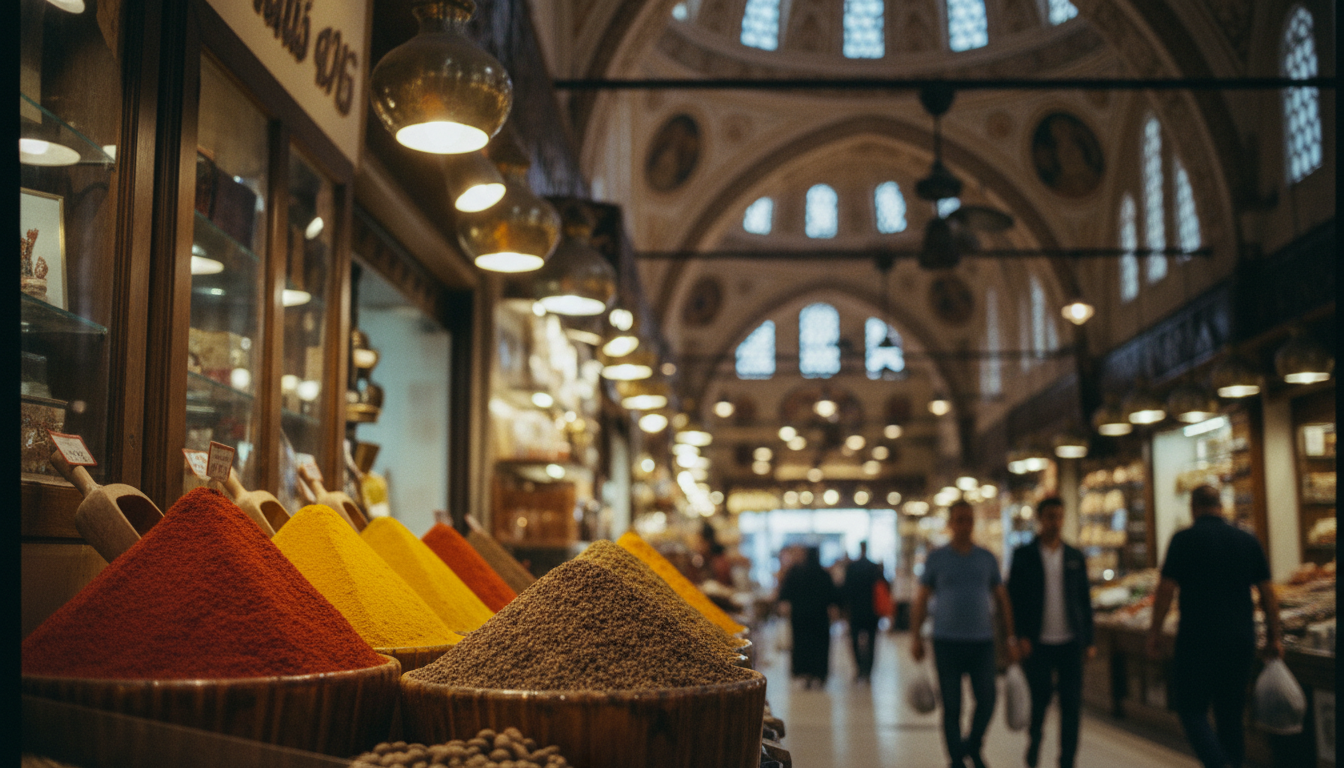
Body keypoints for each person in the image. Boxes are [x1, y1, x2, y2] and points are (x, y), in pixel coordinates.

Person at [1148, 485, 1283, 768]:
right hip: (1240, 640)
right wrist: (1274, 636)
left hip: (1197, 640)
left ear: (1193, 507)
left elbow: (1165, 592)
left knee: (1190, 709)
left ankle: (1218, 763)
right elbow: (1269, 594)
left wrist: (1155, 632)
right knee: (1231, 714)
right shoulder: (1247, 539)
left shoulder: (1183, 540)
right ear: (1221, 506)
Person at [911, 500, 1020, 768]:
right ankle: (956, 758)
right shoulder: (937, 559)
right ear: (950, 523)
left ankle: (972, 745)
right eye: (959, 520)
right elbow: (922, 598)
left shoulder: (986, 558)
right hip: (946, 641)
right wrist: (916, 636)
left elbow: (1002, 597)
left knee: (987, 698)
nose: (964, 525)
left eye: (968, 520)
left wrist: (1010, 637)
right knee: (952, 704)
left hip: (982, 641)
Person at [1007, 497, 1095, 768]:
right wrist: (1018, 636)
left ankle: (1067, 760)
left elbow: (1084, 600)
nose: (1054, 522)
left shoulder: (1074, 556)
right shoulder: (1024, 556)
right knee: (1038, 703)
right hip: (1037, 643)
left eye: (1059, 516)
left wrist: (1089, 640)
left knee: (1071, 706)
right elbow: (1014, 600)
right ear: (1040, 519)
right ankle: (1033, 752)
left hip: (1070, 642)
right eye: (1049, 517)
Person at [778, 546, 840, 689]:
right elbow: (834, 595)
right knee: (820, 646)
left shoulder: (795, 573)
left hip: (800, 617)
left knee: (801, 645)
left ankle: (802, 673)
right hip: (820, 618)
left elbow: (785, 593)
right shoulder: (824, 574)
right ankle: (819, 674)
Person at [842, 541, 887, 682]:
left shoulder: (852, 567)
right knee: (872, 641)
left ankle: (859, 668)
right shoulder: (874, 567)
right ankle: (868, 671)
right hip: (872, 610)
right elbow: (884, 586)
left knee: (855, 640)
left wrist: (845, 609)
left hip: (856, 610)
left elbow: (846, 590)